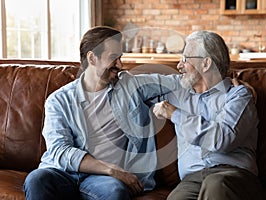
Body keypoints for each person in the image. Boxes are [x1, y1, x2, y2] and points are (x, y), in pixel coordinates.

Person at [23, 26, 181, 200]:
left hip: (103, 181)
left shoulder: (129, 85)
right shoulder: (59, 101)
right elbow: (60, 151)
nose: (120, 65)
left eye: (120, 58)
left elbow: (174, 82)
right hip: (64, 173)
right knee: (36, 180)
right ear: (92, 58)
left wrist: (200, 68)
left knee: (115, 192)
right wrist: (112, 170)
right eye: (114, 58)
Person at [153, 30, 263, 200]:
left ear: (205, 64)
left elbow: (221, 139)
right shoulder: (178, 93)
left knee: (216, 185)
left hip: (233, 175)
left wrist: (175, 114)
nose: (179, 66)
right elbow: (132, 86)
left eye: (185, 59)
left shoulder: (238, 95)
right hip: (192, 179)